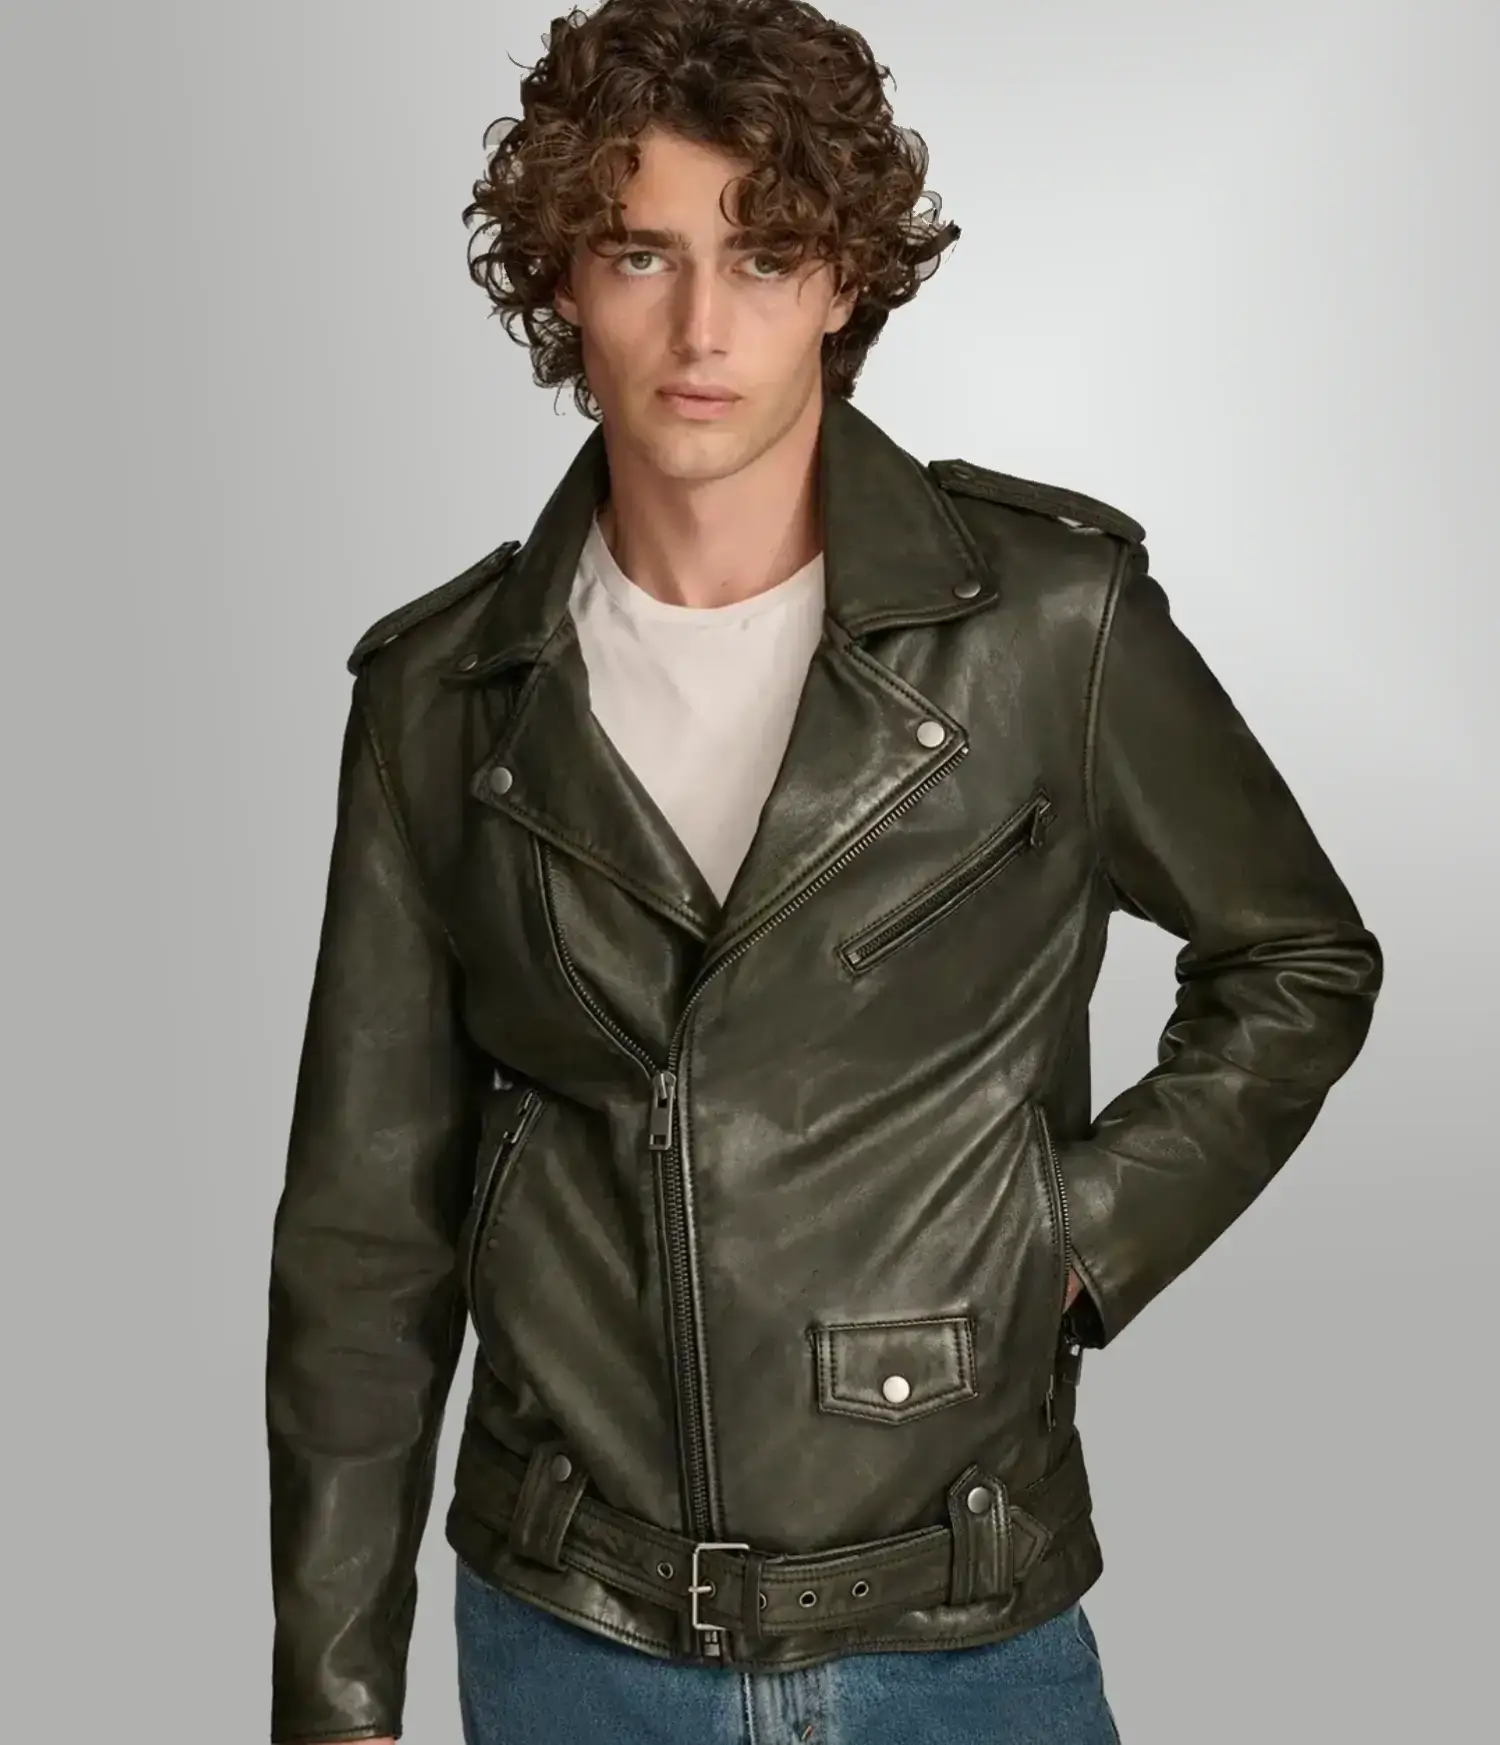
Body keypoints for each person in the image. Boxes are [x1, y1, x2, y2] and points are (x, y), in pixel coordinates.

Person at [264, 1, 1384, 1740]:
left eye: (767, 256)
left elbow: (1298, 957)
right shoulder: (439, 696)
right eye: (643, 252)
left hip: (960, 1619)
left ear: (845, 280)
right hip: (571, 1630)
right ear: (563, 277)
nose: (703, 327)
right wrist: (336, 1701)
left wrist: (1069, 1242)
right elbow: (363, 1230)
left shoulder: (1047, 627)